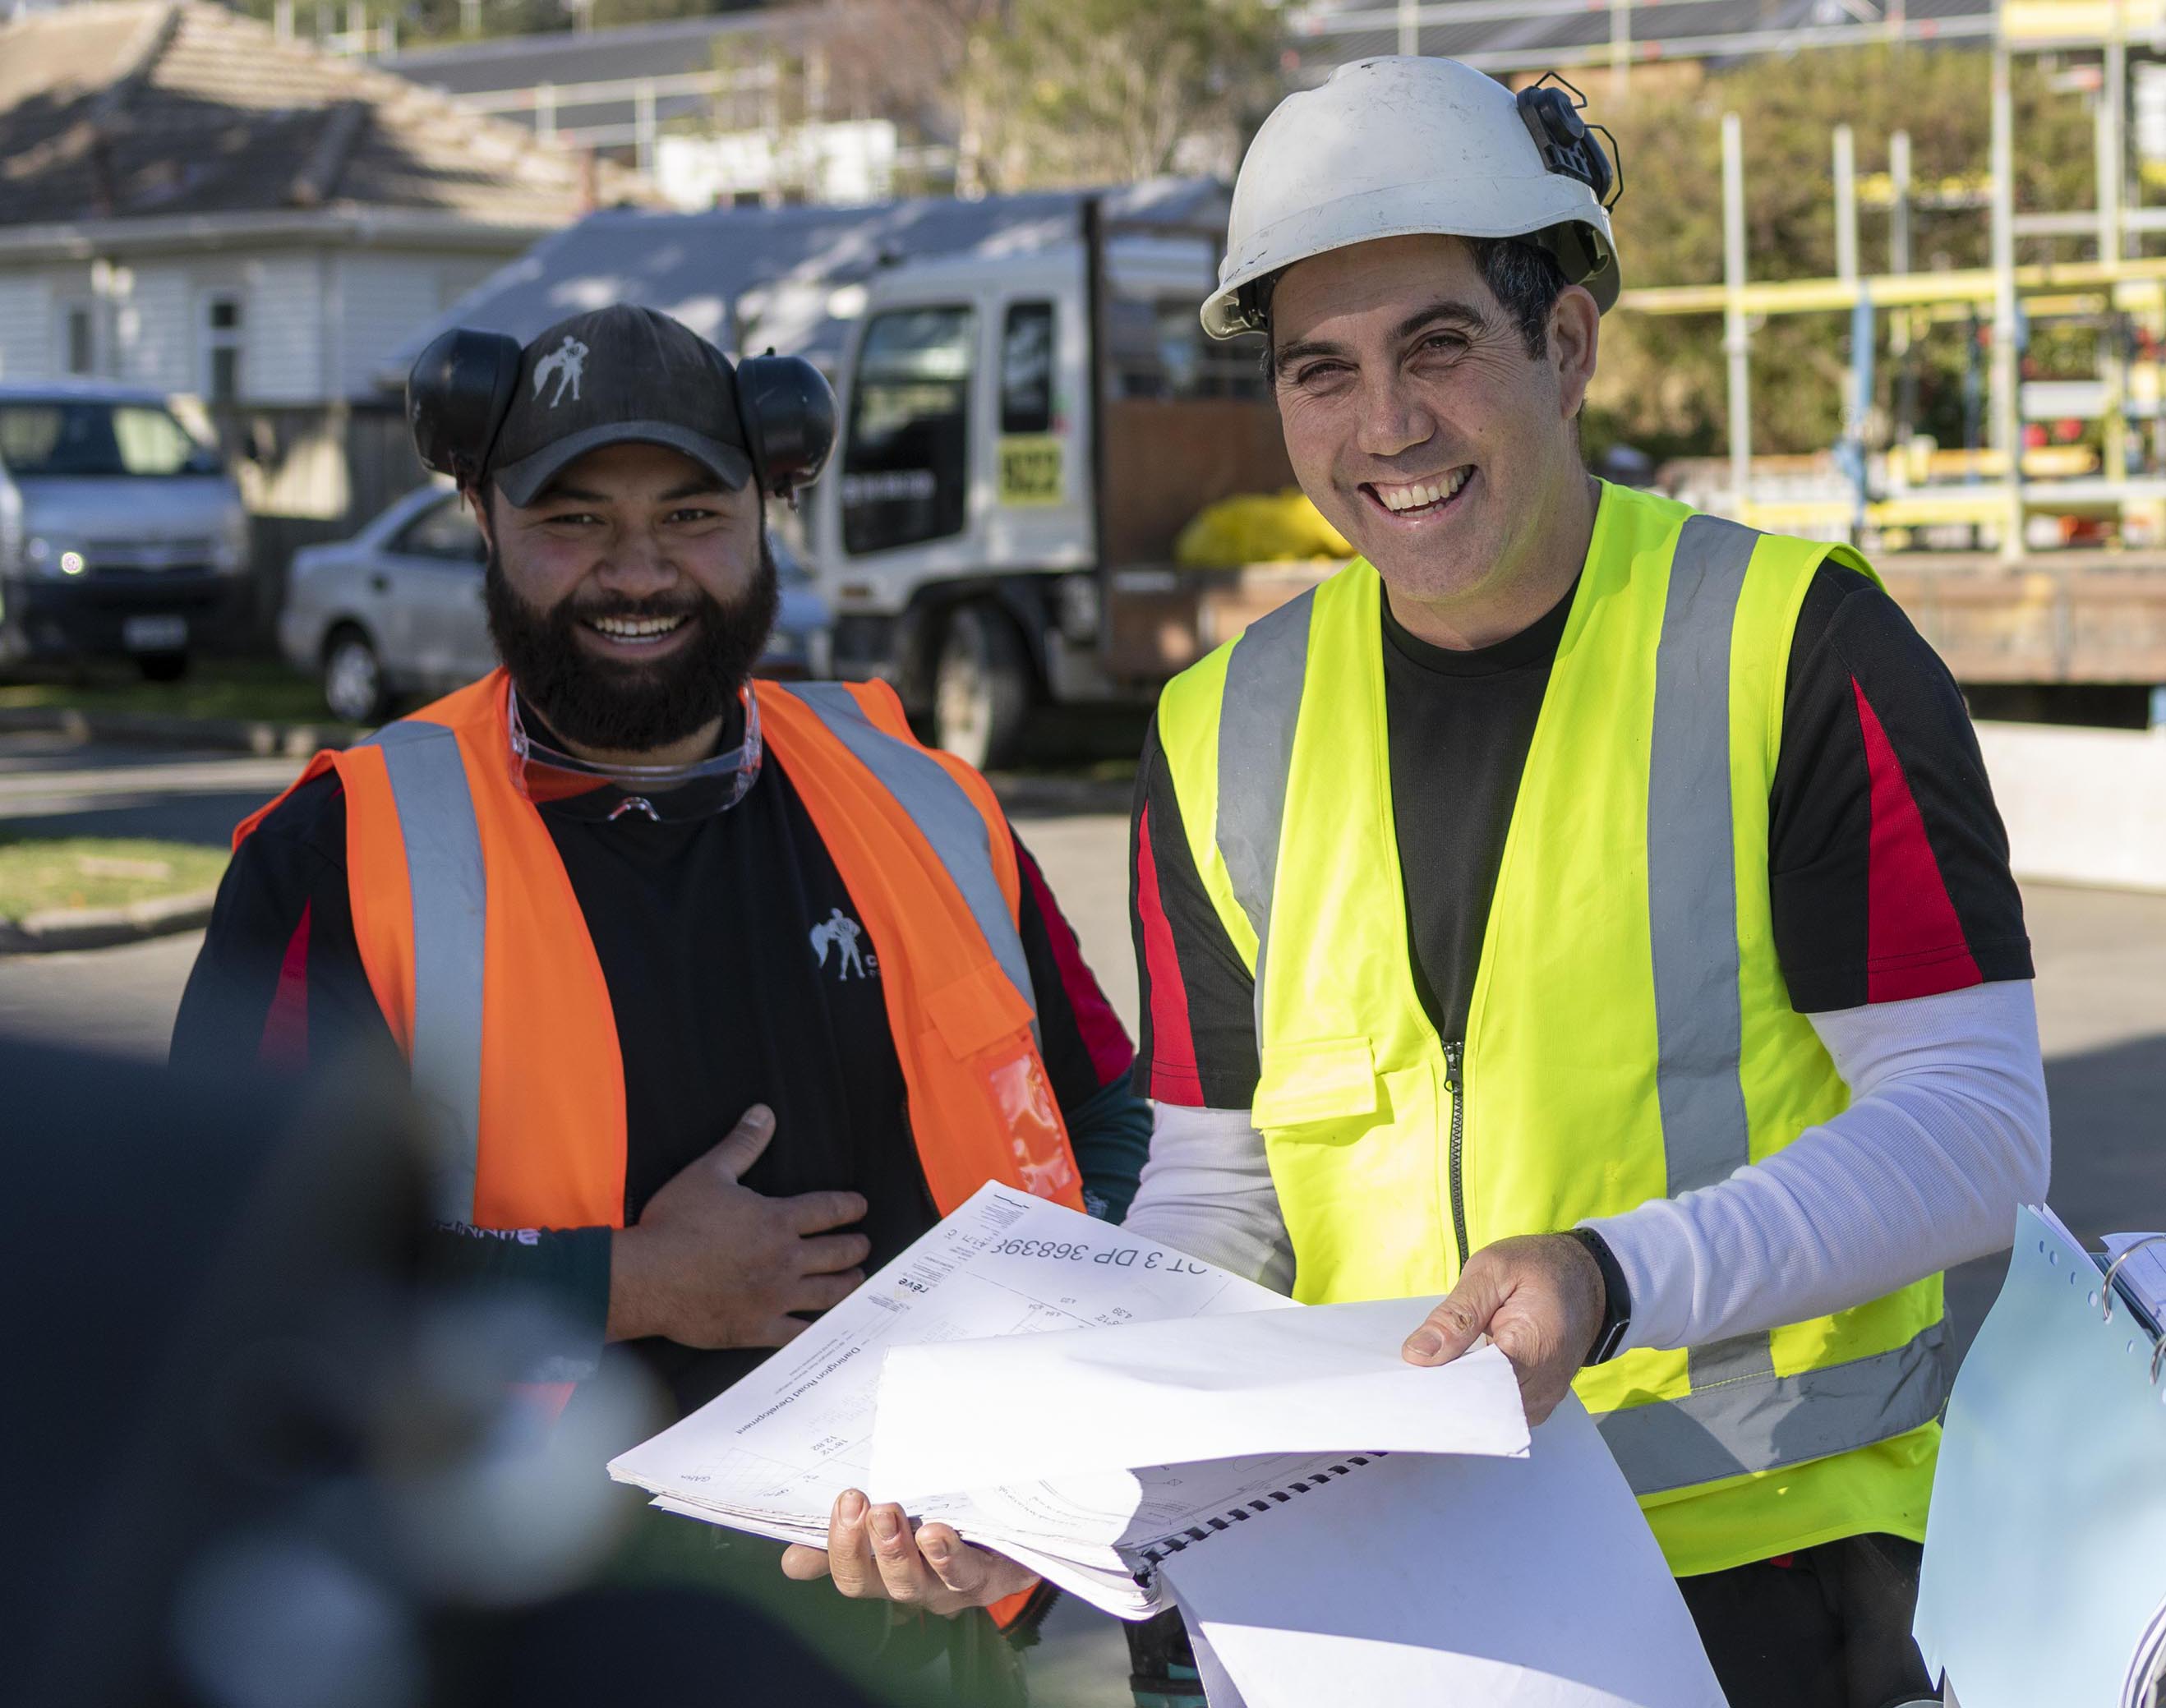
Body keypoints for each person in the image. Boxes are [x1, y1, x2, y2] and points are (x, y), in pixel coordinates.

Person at [1108, 60, 2049, 1708]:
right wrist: (1060, 1461)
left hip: (1767, 1579)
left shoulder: (1795, 647)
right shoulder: (1215, 728)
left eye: (1438, 347)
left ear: (1565, 342)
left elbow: (1975, 1124)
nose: (1383, 427)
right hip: (1369, 1583)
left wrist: (1611, 1279)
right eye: (1318, 372)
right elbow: (1214, 1195)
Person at [171, 302, 1151, 1700]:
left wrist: (1018, 1426)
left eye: (691, 512)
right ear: (481, 514)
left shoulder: (924, 800)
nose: (638, 572)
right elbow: (219, 1277)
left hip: (914, 1646)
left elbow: (1107, 1118)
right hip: (518, 1649)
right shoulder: (336, 860)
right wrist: (625, 1282)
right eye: (574, 520)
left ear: (771, 505)